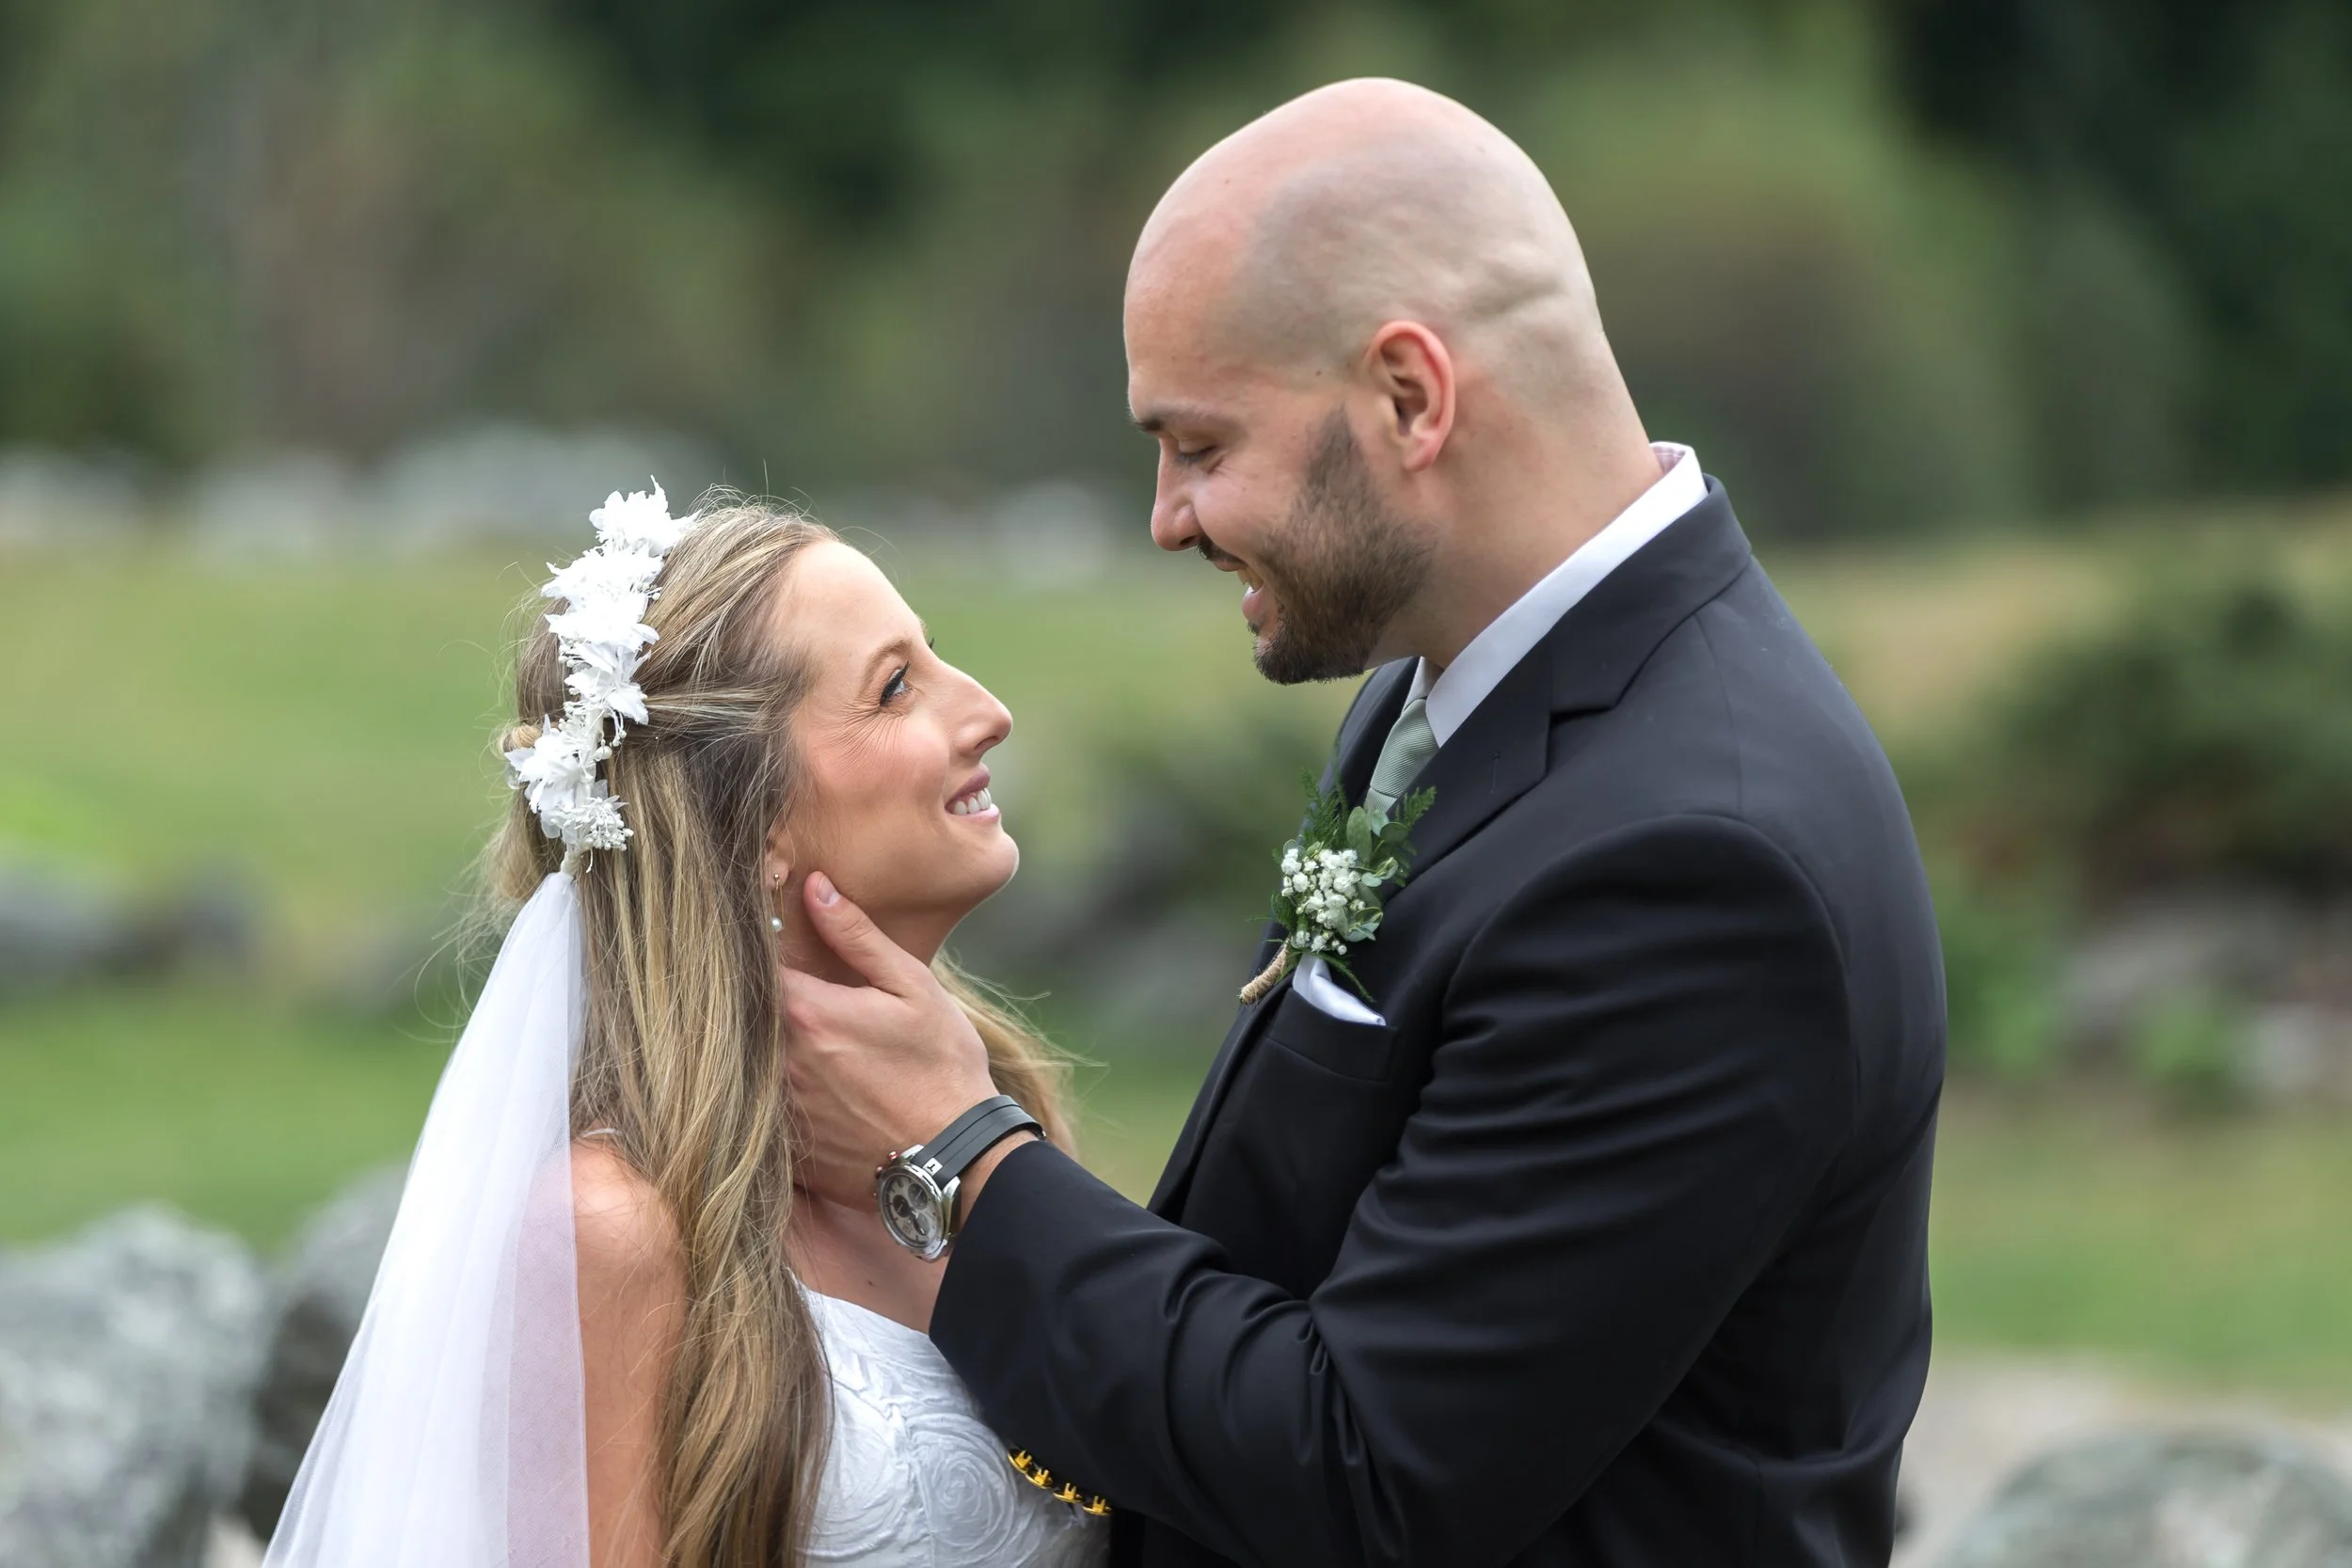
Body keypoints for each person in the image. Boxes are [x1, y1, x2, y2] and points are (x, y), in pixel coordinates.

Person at [777, 79, 1947, 1568]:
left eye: (1200, 445)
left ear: (1410, 397)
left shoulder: (1698, 859)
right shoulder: (1443, 690)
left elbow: (1371, 1469)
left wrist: (961, 1159)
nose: (1166, 516)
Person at [262, 487, 1107, 1567]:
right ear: (748, 826)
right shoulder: (616, 1229)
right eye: (897, 686)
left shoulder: (992, 1107)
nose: (986, 709)